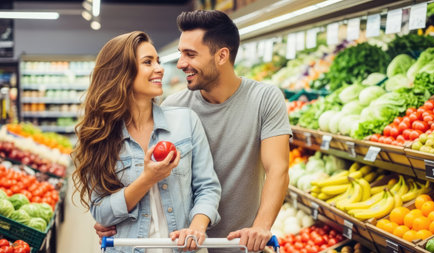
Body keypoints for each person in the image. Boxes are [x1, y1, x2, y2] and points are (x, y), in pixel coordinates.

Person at [96, 10, 292, 252]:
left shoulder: (264, 99)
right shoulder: (174, 108)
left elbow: (278, 168)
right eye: (180, 54)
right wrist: (115, 216)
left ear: (221, 56)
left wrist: (261, 227)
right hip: (187, 243)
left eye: (190, 54)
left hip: (242, 243)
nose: (179, 64)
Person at [72, 31, 221, 253]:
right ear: (121, 72)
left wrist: (196, 227)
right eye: (147, 62)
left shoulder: (185, 121)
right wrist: (147, 179)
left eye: (158, 61)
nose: (159, 68)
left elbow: (207, 187)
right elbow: (101, 212)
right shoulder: (101, 136)